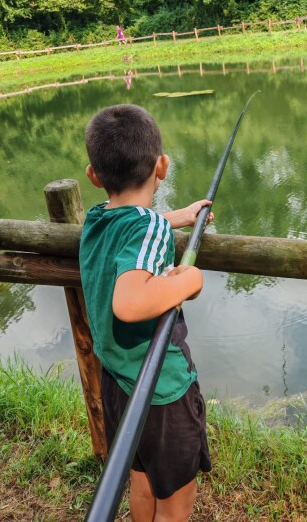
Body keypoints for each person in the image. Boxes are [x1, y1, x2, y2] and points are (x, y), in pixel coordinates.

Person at [79, 104, 212, 522]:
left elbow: (130, 225)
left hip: (117, 383)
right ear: (162, 167)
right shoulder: (149, 227)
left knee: (140, 479)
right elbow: (131, 302)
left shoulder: (96, 219)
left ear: (94, 176)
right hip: (160, 391)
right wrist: (191, 280)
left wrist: (179, 217)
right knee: (175, 501)